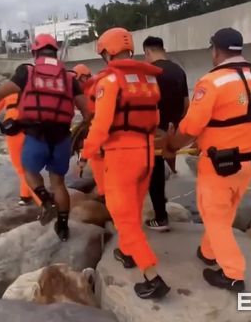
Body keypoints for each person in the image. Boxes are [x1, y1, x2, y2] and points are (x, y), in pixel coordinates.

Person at [163, 27, 251, 292]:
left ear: (216, 50)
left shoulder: (211, 82)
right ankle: (209, 252)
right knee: (225, 211)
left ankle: (233, 274)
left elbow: (190, 127)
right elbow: (237, 118)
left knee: (214, 215)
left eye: (212, 49)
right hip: (248, 161)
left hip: (221, 165)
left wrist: (172, 147)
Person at [0, 34, 88, 242]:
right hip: (61, 137)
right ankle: (63, 227)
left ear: (35, 53)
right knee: (59, 182)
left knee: (28, 171)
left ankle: (45, 200)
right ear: (55, 52)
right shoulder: (70, 78)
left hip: (36, 136)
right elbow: (89, 113)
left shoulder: (28, 71)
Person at [82, 27, 170, 299]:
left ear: (107, 52)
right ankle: (127, 251)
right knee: (133, 208)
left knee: (124, 218)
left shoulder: (109, 82)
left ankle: (152, 276)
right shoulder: (149, 79)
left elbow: (101, 125)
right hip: (146, 154)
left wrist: (86, 153)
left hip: (121, 156)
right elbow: (154, 121)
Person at [142, 36, 190, 231]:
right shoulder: (179, 71)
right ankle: (162, 201)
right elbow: (186, 104)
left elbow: (145, 104)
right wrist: (178, 126)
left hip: (155, 130)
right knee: (161, 167)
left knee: (153, 173)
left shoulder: (150, 72)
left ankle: (160, 217)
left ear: (147, 52)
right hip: (174, 130)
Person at [0, 93, 33, 205]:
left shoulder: (9, 90)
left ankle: (26, 196)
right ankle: (28, 194)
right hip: (33, 129)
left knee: (20, 166)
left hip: (13, 130)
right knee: (31, 165)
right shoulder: (38, 87)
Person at [72, 64, 106, 203]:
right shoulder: (94, 87)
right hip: (103, 133)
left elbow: (95, 119)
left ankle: (105, 194)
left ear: (83, 77)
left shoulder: (92, 90)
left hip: (100, 133)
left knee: (99, 160)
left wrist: (83, 158)